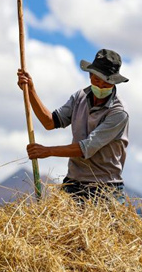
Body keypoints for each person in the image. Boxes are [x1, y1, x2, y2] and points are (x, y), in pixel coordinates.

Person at [17, 49, 129, 202]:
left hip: (105, 189)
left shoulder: (118, 112)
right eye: (97, 80)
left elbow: (86, 148)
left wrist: (47, 151)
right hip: (73, 184)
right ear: (90, 76)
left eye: (106, 83)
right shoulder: (79, 98)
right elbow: (50, 122)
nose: (101, 86)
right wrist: (30, 91)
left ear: (114, 82)